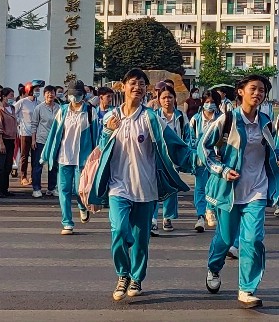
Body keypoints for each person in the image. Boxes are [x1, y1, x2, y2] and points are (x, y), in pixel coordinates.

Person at [87, 68, 198, 301]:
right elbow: (100, 146)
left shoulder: (151, 118)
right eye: (133, 83)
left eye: (141, 84)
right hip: (118, 186)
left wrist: (198, 160)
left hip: (146, 188)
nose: (137, 87)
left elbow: (175, 145)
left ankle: (136, 277)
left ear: (146, 91)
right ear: (123, 86)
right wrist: (109, 131)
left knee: (141, 240)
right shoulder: (110, 117)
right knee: (118, 230)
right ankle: (122, 274)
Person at [201, 74, 279, 309]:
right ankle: (213, 267)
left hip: (257, 189)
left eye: (261, 90)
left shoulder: (266, 121)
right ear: (240, 91)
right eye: (253, 89)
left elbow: (274, 146)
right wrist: (221, 169)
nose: (257, 93)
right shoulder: (227, 119)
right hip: (230, 191)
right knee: (226, 238)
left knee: (253, 239)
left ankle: (247, 289)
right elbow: (203, 148)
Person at [41, 80, 98, 235]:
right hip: (64, 156)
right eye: (72, 95)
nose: (75, 98)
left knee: (79, 189)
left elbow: (97, 136)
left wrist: (97, 156)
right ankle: (67, 222)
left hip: (83, 158)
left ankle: (82, 206)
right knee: (64, 190)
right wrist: (46, 154)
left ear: (83, 96)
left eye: (78, 95)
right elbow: (54, 134)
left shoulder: (90, 112)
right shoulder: (63, 111)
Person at [153, 85, 189, 234]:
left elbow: (187, 136)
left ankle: (167, 217)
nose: (167, 100)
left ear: (175, 98)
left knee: (172, 187)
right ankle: (153, 219)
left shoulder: (181, 116)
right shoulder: (154, 116)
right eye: (164, 98)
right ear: (159, 100)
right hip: (157, 156)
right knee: (153, 187)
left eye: (170, 97)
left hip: (174, 158)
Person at [188, 89, 221, 231]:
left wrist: (221, 153)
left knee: (213, 187)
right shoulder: (195, 119)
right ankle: (200, 216)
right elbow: (191, 140)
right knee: (200, 188)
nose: (209, 105)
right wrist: (195, 156)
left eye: (212, 102)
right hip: (200, 160)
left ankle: (210, 210)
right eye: (207, 102)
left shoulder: (223, 118)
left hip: (216, 160)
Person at [30, 85, 60, 198]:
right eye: (47, 93)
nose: (50, 95)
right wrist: (33, 139)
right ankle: (36, 188)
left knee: (53, 165)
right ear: (44, 95)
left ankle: (51, 188)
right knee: (38, 164)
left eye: (52, 92)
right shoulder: (39, 108)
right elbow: (34, 124)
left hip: (55, 140)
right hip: (41, 139)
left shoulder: (59, 108)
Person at [0, 87, 18, 198]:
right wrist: (0, 142)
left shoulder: (12, 108)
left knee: (8, 166)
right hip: (1, 140)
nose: (12, 97)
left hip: (11, 140)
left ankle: (4, 188)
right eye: (10, 95)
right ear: (4, 97)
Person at [14, 82, 38, 186]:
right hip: (24, 132)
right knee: (24, 155)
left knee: (35, 156)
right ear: (29, 90)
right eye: (36, 89)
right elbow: (12, 112)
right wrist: (19, 122)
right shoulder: (22, 102)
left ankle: (33, 176)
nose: (37, 92)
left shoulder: (39, 103)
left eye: (38, 90)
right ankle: (23, 176)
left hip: (36, 133)